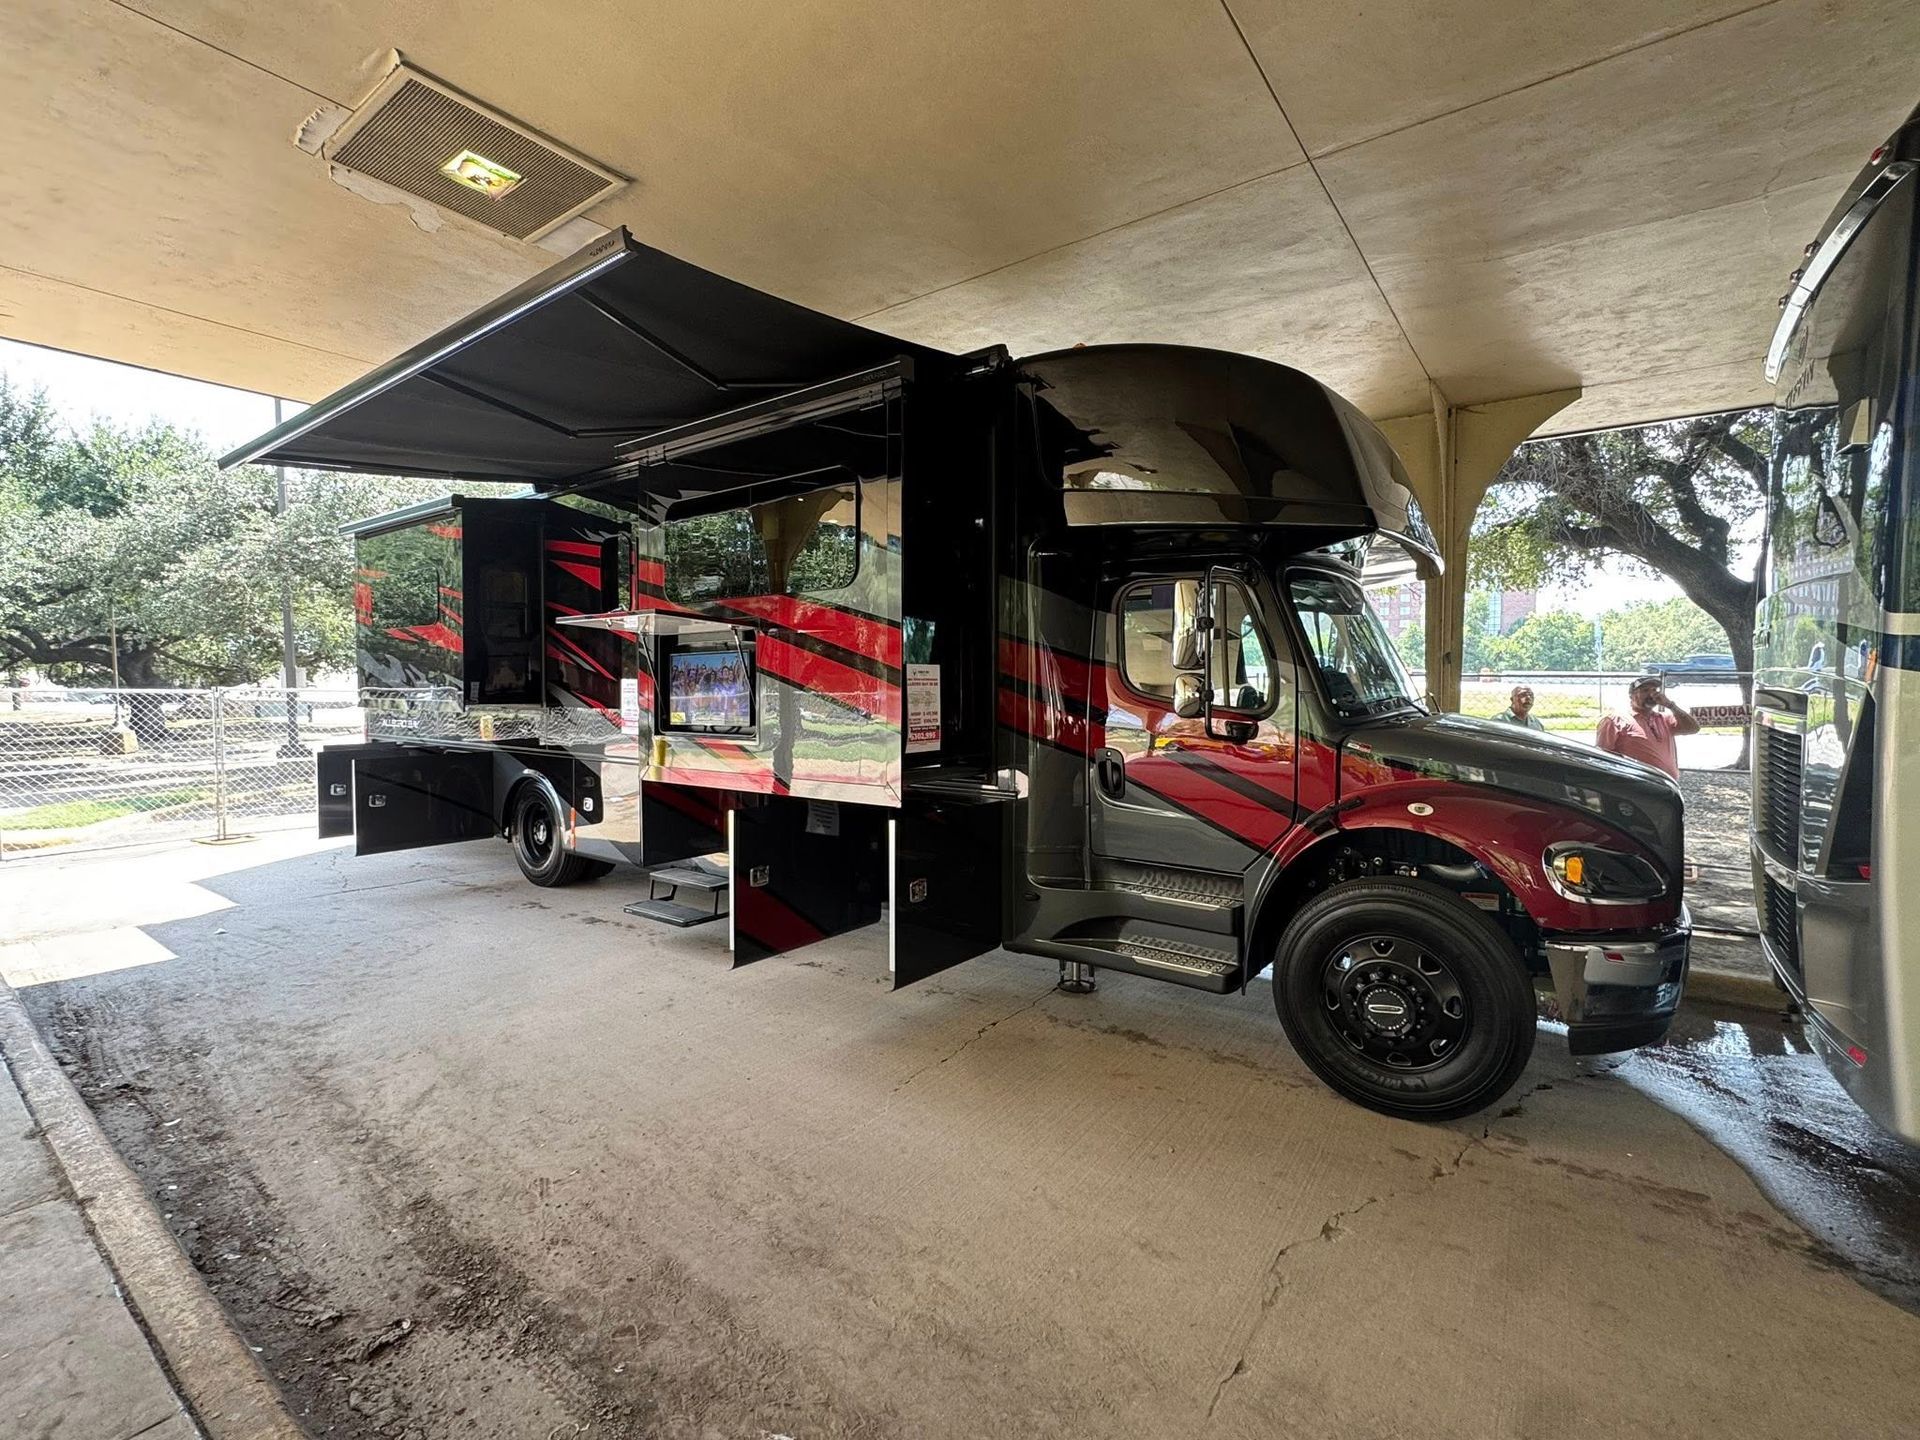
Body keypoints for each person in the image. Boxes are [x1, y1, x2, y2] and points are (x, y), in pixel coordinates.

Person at [1596, 676, 1699, 779]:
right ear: (1631, 696)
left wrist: (1670, 705)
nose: (1651, 695)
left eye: (1654, 690)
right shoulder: (1614, 721)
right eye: (1645, 691)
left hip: (1668, 785)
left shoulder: (1664, 719)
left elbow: (1693, 728)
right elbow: (1602, 757)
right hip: (1637, 785)